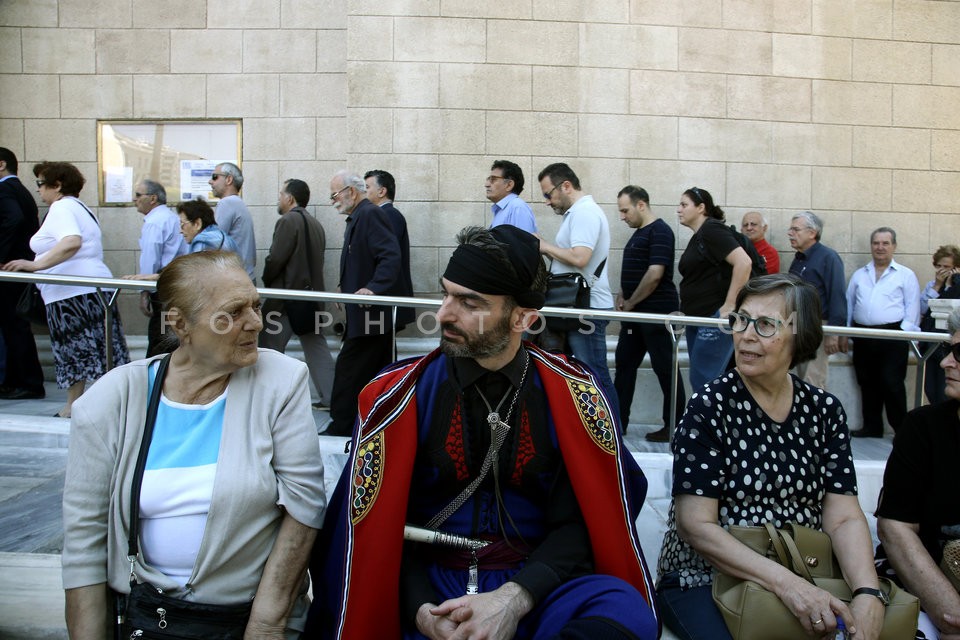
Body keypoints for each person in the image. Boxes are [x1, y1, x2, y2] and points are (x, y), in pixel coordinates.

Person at [306, 224, 659, 640]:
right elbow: (368, 526)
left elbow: (589, 518)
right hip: (424, 587)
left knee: (625, 610)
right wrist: (422, 611)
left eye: (469, 302)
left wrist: (514, 599)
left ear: (524, 318)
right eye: (446, 293)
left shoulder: (577, 395)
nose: (443, 314)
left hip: (537, 587)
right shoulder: (394, 396)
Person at [61, 251, 326, 639]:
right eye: (233, 313)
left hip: (247, 618)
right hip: (150, 619)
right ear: (180, 324)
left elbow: (305, 508)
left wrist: (266, 627)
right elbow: (84, 543)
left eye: (256, 305)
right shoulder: (114, 398)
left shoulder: (280, 381)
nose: (255, 322)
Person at [656, 273, 885, 640]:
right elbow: (695, 525)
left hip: (805, 567)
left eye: (764, 325)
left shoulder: (824, 410)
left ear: (800, 336)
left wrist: (867, 593)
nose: (746, 334)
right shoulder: (710, 406)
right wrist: (789, 586)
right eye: (741, 319)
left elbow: (843, 517)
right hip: (706, 578)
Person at [1, 161, 129, 418]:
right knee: (97, 349)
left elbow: (71, 241)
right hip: (86, 290)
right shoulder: (78, 208)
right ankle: (83, 405)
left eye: (40, 183)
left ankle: (75, 405)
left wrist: (36, 264)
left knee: (74, 349)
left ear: (57, 185)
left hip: (73, 292)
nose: (38, 190)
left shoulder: (62, 207)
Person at [875, 308, 960, 640]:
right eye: (947, 351)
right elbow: (895, 527)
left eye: (959, 353)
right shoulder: (923, 428)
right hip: (926, 588)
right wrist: (951, 614)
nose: (945, 363)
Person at [537, 162, 618, 413]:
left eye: (548, 194)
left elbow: (580, 257)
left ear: (566, 186)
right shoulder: (579, 212)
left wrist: (544, 245)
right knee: (587, 373)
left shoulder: (584, 213)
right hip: (580, 307)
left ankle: (613, 435)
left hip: (587, 309)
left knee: (594, 374)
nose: (547, 202)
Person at [327, 169, 402, 436]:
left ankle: (342, 424)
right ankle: (367, 423)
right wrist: (343, 288)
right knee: (372, 371)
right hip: (363, 312)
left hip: (370, 313)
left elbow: (390, 257)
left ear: (351, 192)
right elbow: (361, 258)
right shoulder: (360, 216)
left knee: (350, 369)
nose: (333, 200)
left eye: (335, 194)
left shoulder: (369, 214)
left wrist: (373, 288)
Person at [612, 185, 684, 442]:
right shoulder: (639, 233)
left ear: (641, 205)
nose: (622, 216)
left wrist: (630, 303)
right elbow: (637, 269)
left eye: (625, 210)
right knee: (624, 364)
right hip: (635, 316)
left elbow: (655, 274)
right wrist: (622, 293)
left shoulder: (661, 231)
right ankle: (618, 424)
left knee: (665, 369)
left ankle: (674, 426)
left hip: (656, 314)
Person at [260, 178, 335, 409]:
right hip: (311, 299)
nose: (278, 198)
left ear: (289, 198)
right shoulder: (315, 224)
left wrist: (267, 279)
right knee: (317, 348)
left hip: (285, 300)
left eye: (280, 193)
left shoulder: (287, 221)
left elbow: (276, 259)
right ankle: (332, 398)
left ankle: (269, 400)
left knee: (268, 349)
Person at [846, 227, 920, 438]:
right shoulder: (860, 275)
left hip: (893, 336)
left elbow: (912, 307)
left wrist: (902, 334)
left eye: (885, 243)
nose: (880, 247)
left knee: (892, 382)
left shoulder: (905, 275)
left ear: (894, 246)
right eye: (876, 243)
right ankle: (872, 427)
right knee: (866, 381)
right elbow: (850, 304)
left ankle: (901, 430)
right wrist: (847, 333)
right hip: (864, 335)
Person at [676, 186, 752, 391]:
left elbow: (743, 263)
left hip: (713, 318)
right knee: (707, 381)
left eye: (684, 204)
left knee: (704, 381)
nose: (678, 209)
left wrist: (729, 305)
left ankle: (706, 423)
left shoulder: (711, 230)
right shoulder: (701, 235)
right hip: (698, 319)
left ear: (701, 208)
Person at [0, 147, 45, 400]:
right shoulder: (21, 190)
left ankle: (27, 382)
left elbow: (13, 219)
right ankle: (18, 380)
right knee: (15, 327)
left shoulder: (5, 189)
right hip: (19, 267)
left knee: (14, 327)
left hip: (10, 270)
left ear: (1, 165)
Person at [125, 179, 187, 357]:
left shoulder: (155, 222)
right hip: (174, 281)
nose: (134, 199)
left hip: (160, 284)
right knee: (169, 333)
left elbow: (150, 258)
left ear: (153, 198)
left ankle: (156, 377)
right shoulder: (171, 218)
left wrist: (144, 291)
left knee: (159, 336)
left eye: (138, 195)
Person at [787, 211, 848, 390]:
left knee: (813, 381)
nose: (790, 233)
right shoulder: (798, 259)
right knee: (798, 380)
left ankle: (817, 417)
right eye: (790, 229)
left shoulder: (828, 257)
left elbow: (837, 295)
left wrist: (833, 333)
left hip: (817, 326)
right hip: (797, 326)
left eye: (795, 229)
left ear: (812, 233)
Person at [364, 169, 415, 331]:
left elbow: (385, 257)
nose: (364, 192)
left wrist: (372, 287)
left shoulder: (389, 215)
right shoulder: (383, 215)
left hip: (385, 300)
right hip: (382, 300)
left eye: (367, 187)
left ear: (382, 191)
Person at [918, 245, 960, 404]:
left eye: (947, 267)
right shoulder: (932, 285)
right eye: (939, 266)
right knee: (930, 387)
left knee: (944, 391)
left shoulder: (958, 285)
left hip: (947, 344)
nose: (942, 270)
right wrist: (937, 286)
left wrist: (956, 281)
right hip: (930, 343)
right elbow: (922, 308)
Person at [209, 162, 256, 280]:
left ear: (229, 179)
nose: (210, 181)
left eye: (215, 177)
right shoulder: (238, 203)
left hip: (235, 281)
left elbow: (214, 244)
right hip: (245, 277)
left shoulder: (226, 203)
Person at [485, 159, 537, 234]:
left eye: (493, 179)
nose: (486, 184)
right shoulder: (503, 209)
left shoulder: (518, 208)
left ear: (509, 185)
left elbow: (525, 244)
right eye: (488, 179)